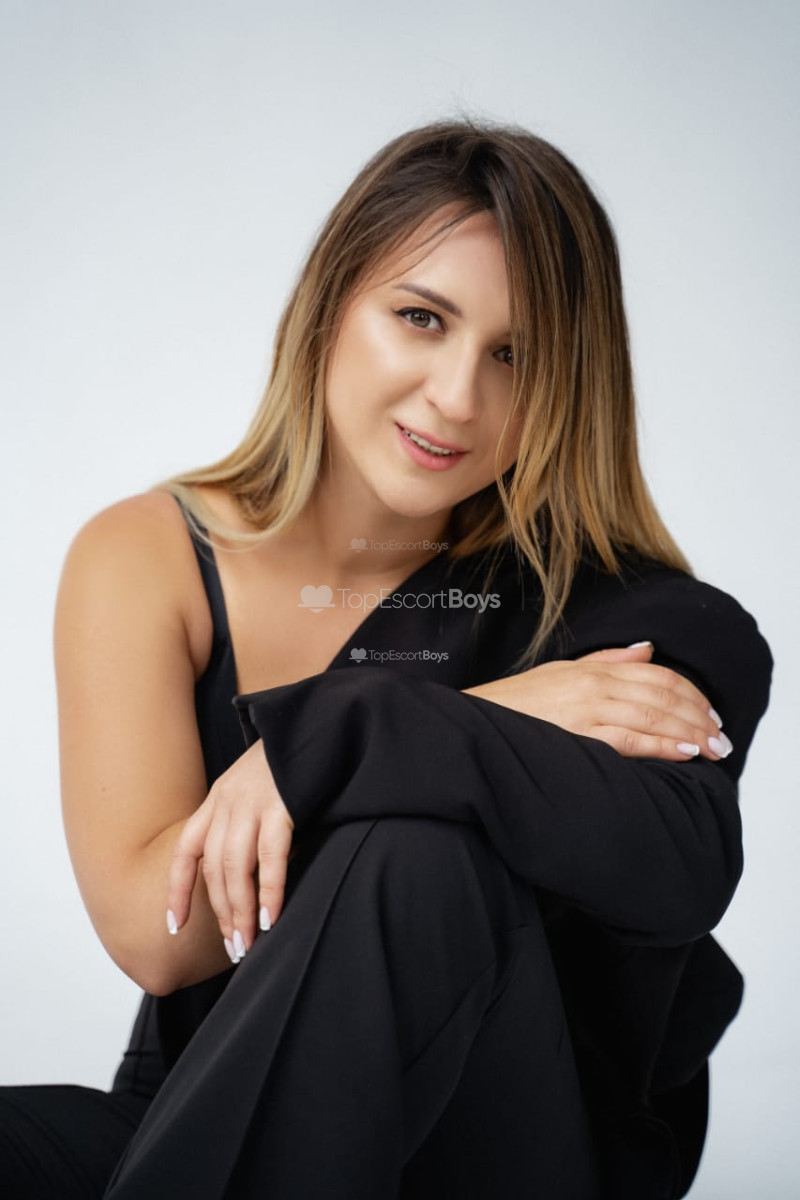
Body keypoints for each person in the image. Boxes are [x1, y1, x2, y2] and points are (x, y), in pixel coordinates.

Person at [0, 118, 772, 1199]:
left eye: (515, 356)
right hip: (210, 1100)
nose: (457, 397)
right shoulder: (152, 554)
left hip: (491, 1148)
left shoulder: (641, 615)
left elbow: (680, 864)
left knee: (417, 856)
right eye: (421, 318)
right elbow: (159, 938)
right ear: (329, 306)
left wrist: (343, 738)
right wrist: (508, 714)